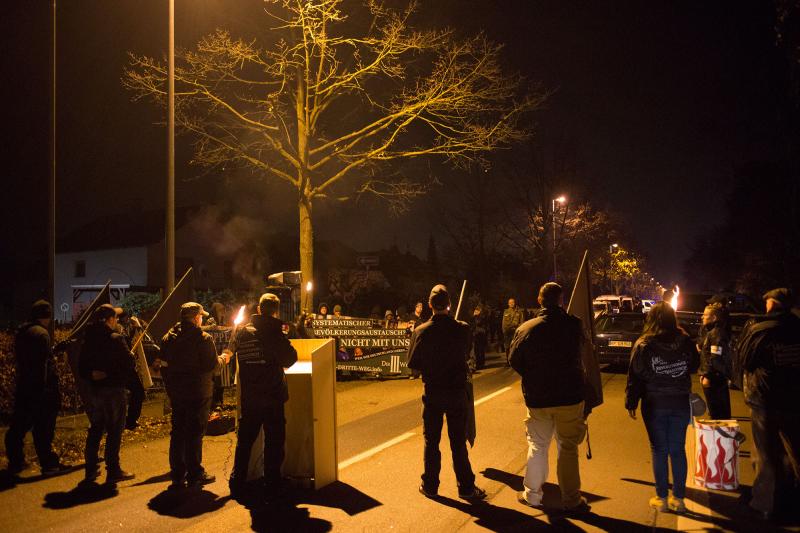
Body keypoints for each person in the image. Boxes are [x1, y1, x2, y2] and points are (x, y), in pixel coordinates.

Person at [509, 283, 590, 513]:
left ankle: (532, 495)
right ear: (561, 300)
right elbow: (583, 353)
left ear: (539, 300)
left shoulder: (526, 329)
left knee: (537, 445)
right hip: (570, 397)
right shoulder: (574, 325)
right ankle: (572, 499)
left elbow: (514, 360)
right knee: (568, 448)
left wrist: (534, 375)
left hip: (538, 398)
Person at [407, 284, 486, 501]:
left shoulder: (421, 331)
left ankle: (430, 486)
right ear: (449, 305)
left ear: (430, 305)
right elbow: (467, 349)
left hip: (432, 393)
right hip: (456, 393)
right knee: (457, 442)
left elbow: (413, 362)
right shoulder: (462, 328)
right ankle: (466, 487)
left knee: (431, 442)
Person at [625, 302, 699, 514]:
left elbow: (635, 373)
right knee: (677, 449)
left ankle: (662, 498)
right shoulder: (684, 340)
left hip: (655, 401)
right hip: (680, 400)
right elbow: (693, 365)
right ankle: (679, 499)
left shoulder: (644, 343)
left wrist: (631, 400)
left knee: (659, 449)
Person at [735, 288, 800, 520]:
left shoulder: (761, 330)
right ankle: (792, 498)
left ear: (771, 304)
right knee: (794, 450)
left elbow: (745, 360)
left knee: (766, 453)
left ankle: (765, 502)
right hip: (794, 399)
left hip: (766, 398)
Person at [226, 293, 298, 500]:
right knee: (274, 440)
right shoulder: (274, 332)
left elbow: (234, 353)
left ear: (258, 309)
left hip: (250, 395)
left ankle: (237, 480)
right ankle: (272, 482)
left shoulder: (242, 332)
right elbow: (290, 359)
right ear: (275, 311)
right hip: (272, 395)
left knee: (246, 440)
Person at [160, 302, 229, 489]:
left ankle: (177, 473)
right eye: (201, 316)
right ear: (195, 317)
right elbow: (213, 367)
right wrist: (224, 358)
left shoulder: (168, 338)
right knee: (194, 432)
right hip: (198, 392)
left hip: (177, 392)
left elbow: (162, 364)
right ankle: (195, 473)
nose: (202, 319)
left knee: (178, 430)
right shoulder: (203, 339)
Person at [4, 300, 68, 476]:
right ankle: (49, 464)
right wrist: (43, 391)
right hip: (42, 390)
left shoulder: (23, 332)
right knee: (44, 430)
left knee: (18, 427)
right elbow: (41, 365)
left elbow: (31, 359)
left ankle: (16, 461)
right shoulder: (42, 334)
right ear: (46, 316)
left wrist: (53, 351)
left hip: (24, 386)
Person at [79, 304, 137, 483]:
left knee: (95, 429)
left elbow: (81, 366)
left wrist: (92, 375)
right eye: (116, 318)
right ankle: (113, 469)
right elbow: (129, 363)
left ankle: (90, 469)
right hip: (113, 390)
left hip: (95, 391)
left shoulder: (88, 339)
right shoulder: (115, 339)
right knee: (114, 430)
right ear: (110, 319)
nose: (117, 321)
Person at [697, 302, 731, 419]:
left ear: (714, 318)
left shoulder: (716, 333)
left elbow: (716, 358)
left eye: (705, 315)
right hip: (714, 378)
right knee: (716, 413)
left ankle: (719, 436)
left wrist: (708, 376)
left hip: (714, 380)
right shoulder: (712, 332)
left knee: (717, 414)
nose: (702, 317)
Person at [118, 311, 146, 430]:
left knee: (135, 393)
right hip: (124, 369)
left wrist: (135, 330)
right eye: (126, 318)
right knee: (138, 393)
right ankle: (130, 421)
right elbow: (126, 344)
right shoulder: (118, 330)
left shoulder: (121, 330)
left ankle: (129, 420)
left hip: (125, 368)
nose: (128, 320)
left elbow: (128, 342)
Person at [502, 298, 524, 365]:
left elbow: (522, 322)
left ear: (515, 303)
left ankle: (515, 361)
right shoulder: (506, 311)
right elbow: (503, 322)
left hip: (515, 332)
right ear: (508, 304)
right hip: (507, 332)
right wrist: (503, 331)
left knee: (515, 347)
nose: (511, 303)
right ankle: (508, 361)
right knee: (507, 347)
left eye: (512, 302)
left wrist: (520, 331)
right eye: (510, 302)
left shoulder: (519, 312)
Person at [471, 305, 488, 370]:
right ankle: (478, 364)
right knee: (476, 351)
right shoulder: (474, 317)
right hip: (476, 336)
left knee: (481, 350)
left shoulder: (482, 317)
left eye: (477, 311)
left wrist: (475, 316)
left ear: (479, 311)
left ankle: (481, 363)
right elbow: (472, 324)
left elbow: (479, 323)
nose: (475, 312)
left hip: (481, 336)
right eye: (475, 311)